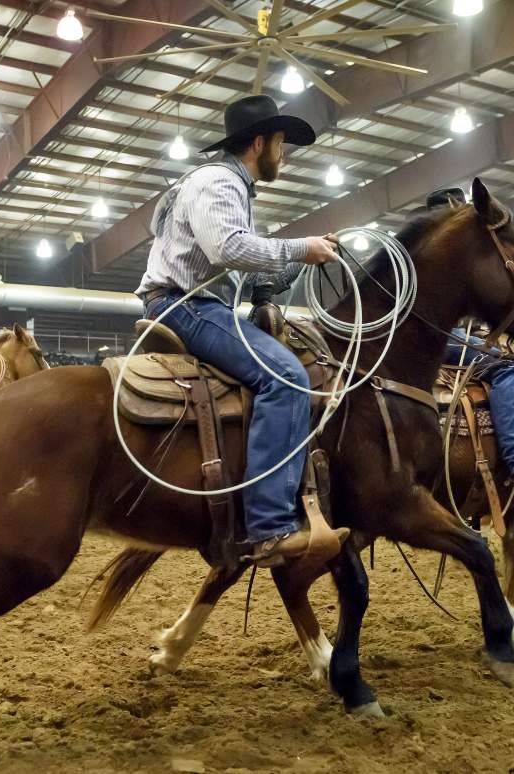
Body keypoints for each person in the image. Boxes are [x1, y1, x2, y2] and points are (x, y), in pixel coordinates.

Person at [136, 95, 348, 567]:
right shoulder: (217, 181)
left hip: (192, 301)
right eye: (280, 143)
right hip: (185, 306)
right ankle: (270, 525)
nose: (283, 153)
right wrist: (300, 247)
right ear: (259, 143)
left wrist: (297, 263)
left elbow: (238, 270)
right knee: (286, 378)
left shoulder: (224, 185)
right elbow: (227, 248)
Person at [427, 188, 514, 476]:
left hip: (417, 337)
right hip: (435, 338)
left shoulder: (416, 249)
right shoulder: (452, 249)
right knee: (504, 368)